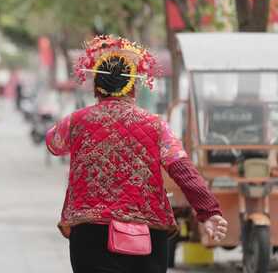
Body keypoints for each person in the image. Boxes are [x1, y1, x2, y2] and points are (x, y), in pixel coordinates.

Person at [45, 35, 228, 273]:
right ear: (133, 87)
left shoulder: (76, 122)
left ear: (96, 87)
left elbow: (53, 144)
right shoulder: (156, 125)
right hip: (147, 236)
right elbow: (183, 170)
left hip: (89, 234)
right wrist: (208, 211)